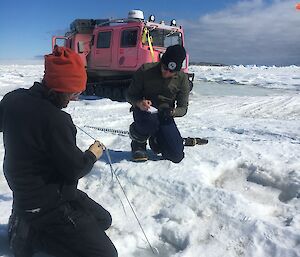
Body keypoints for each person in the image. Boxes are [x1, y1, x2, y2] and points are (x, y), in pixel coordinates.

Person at [0, 46, 118, 257]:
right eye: (74, 93)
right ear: (59, 89)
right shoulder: (57, 120)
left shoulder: (12, 99)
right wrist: (92, 154)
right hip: (46, 203)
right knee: (106, 254)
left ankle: (28, 217)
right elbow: (74, 169)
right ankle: (32, 232)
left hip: (37, 191)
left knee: (103, 220)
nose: (75, 99)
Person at [126, 44, 189, 163]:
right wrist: (139, 103)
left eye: (171, 72)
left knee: (176, 155)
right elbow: (130, 95)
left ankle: (156, 140)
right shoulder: (145, 70)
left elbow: (183, 108)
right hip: (145, 112)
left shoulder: (182, 79)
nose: (166, 73)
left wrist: (173, 112)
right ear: (161, 62)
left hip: (165, 115)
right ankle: (138, 141)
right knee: (150, 122)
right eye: (165, 68)